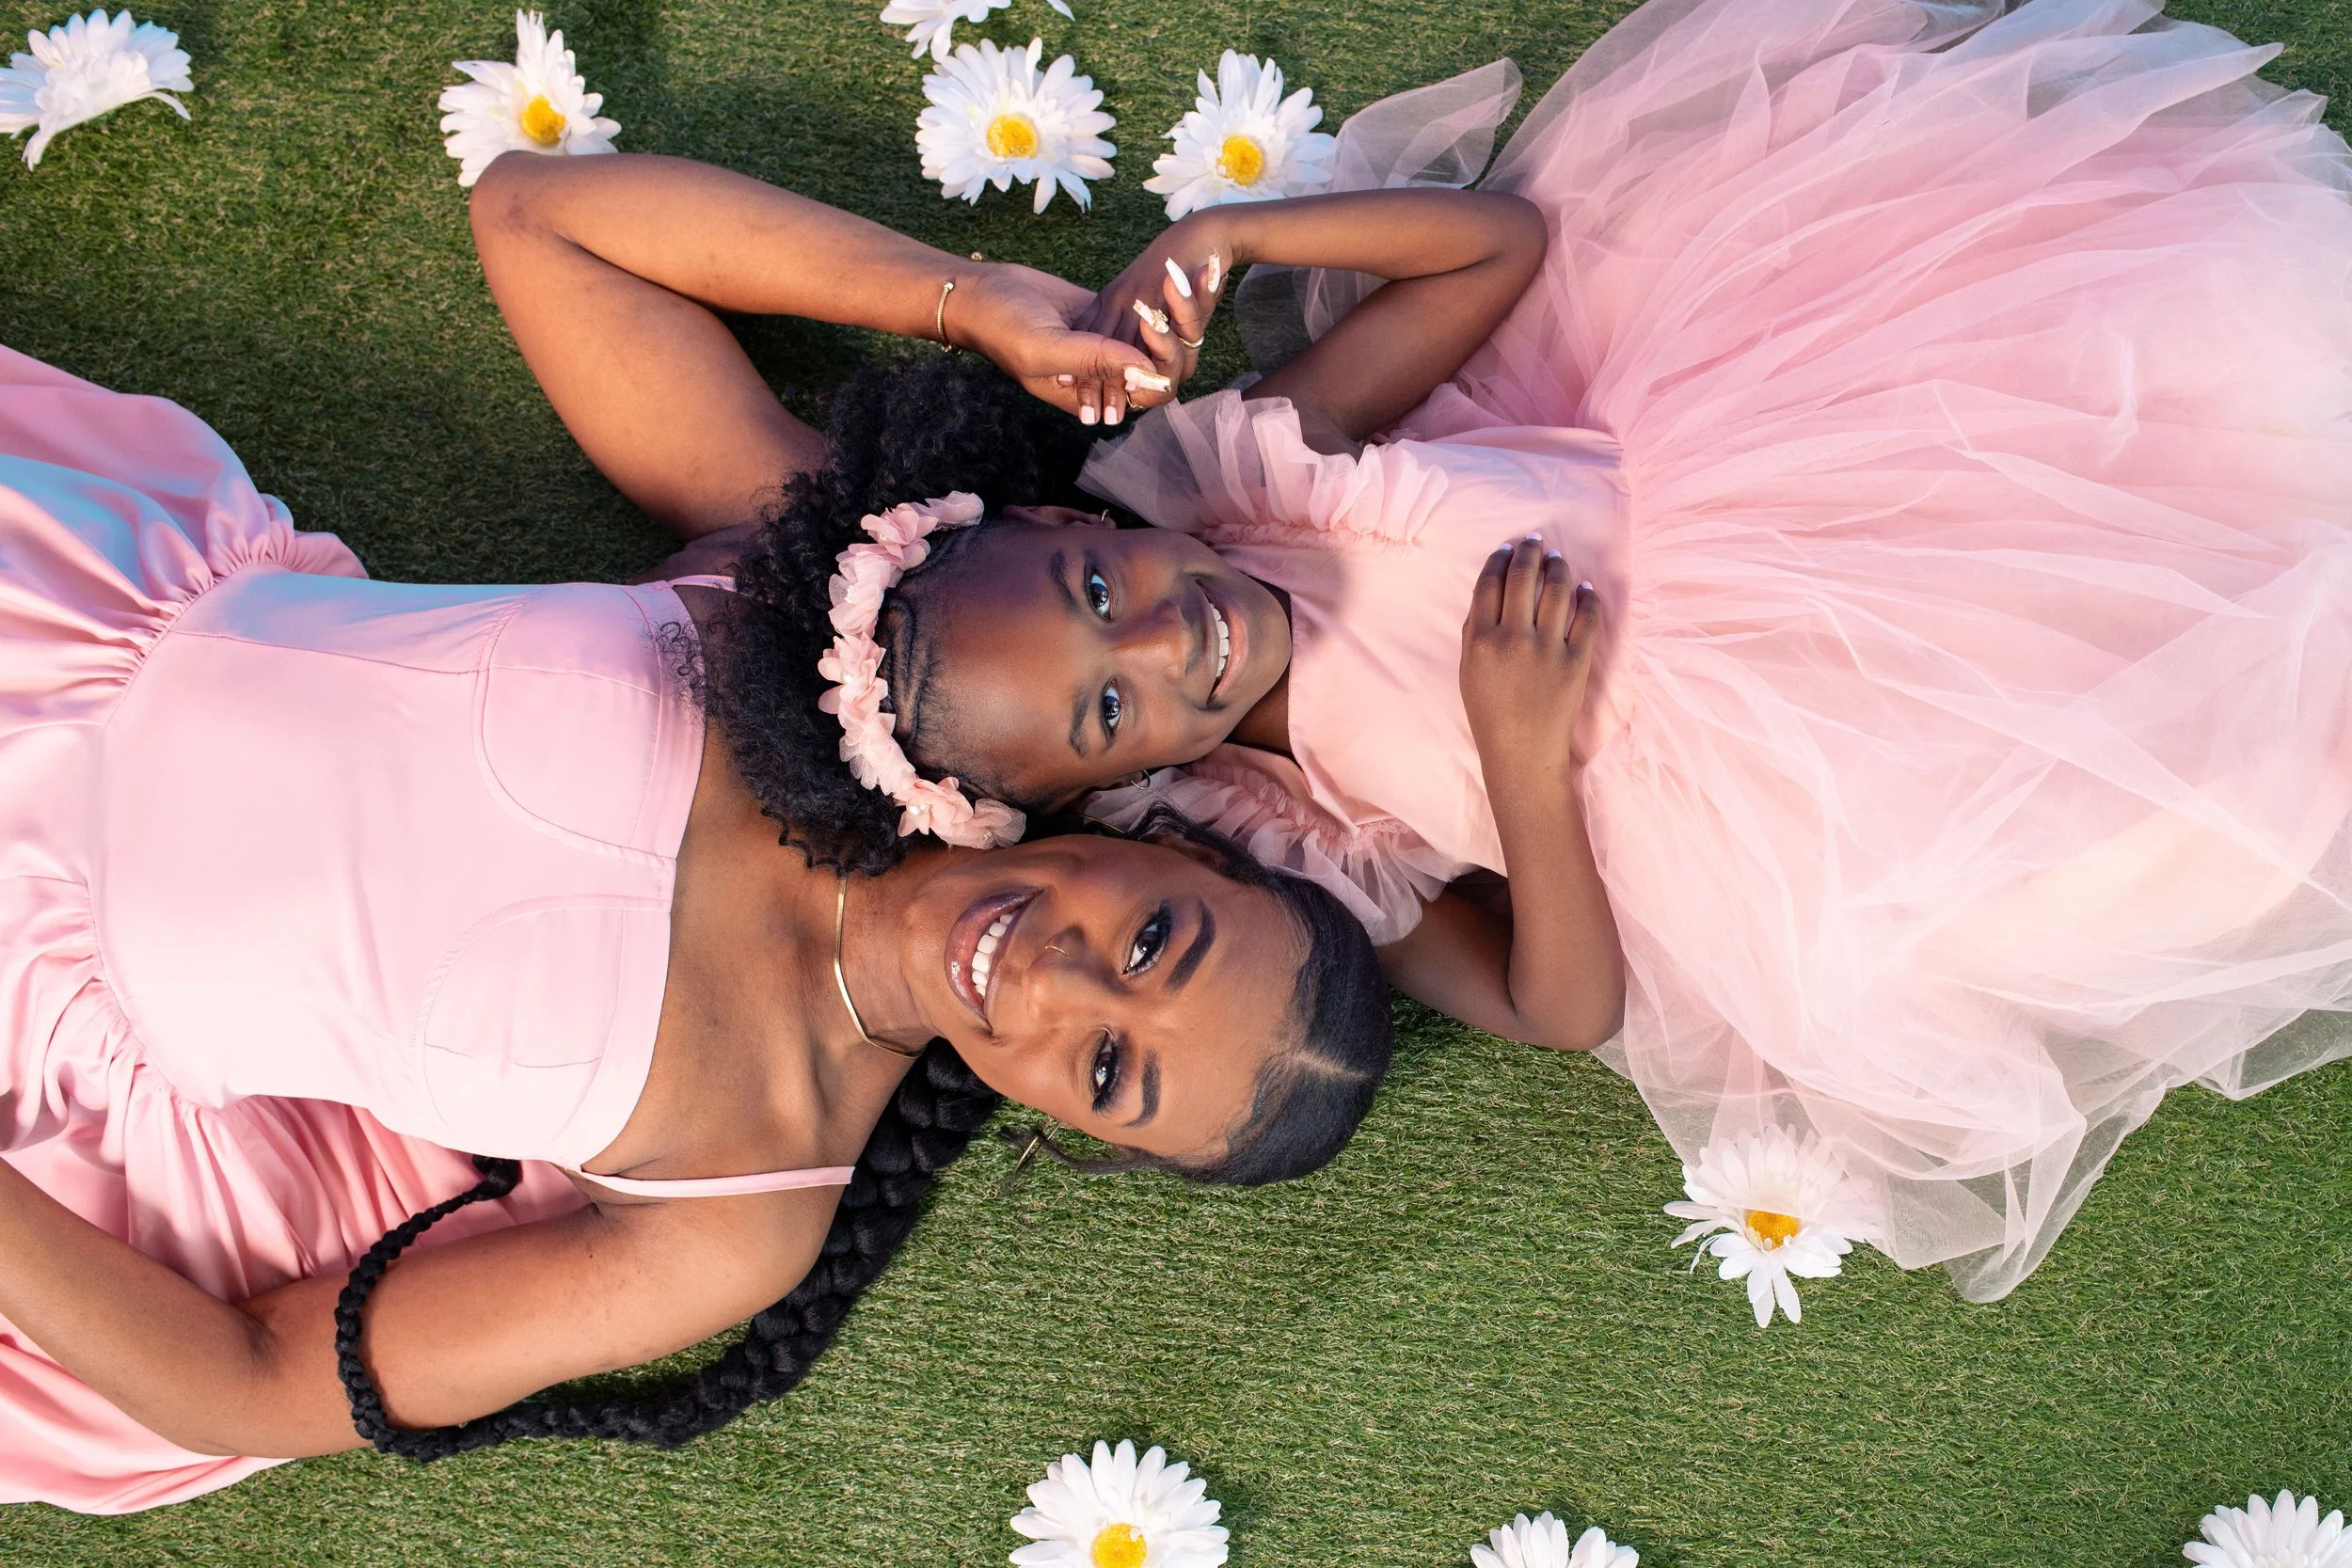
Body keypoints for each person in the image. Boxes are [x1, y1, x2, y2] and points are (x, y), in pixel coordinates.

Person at [520, 0, 2352, 1303]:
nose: (1160, 639)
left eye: (1101, 593)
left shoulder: (1234, 472)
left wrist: (1231, 233)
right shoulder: (1279, 833)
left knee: (2191, 393)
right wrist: (1521, 755)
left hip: (1767, 442)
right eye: (1105, 707)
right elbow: (1558, 999)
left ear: (1076, 524)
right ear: (1085, 795)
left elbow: (1487, 251)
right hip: (1782, 750)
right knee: (2187, 742)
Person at [0, 325, 1391, 1513]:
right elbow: (542, 216)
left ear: (1072, 1132)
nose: (1059, 976)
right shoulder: (850, 635)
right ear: (1158, 837)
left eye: (1108, 1066)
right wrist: (977, 304)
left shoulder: (742, 1207)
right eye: (1153, 941)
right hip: (53, 603)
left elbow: (248, 1378)